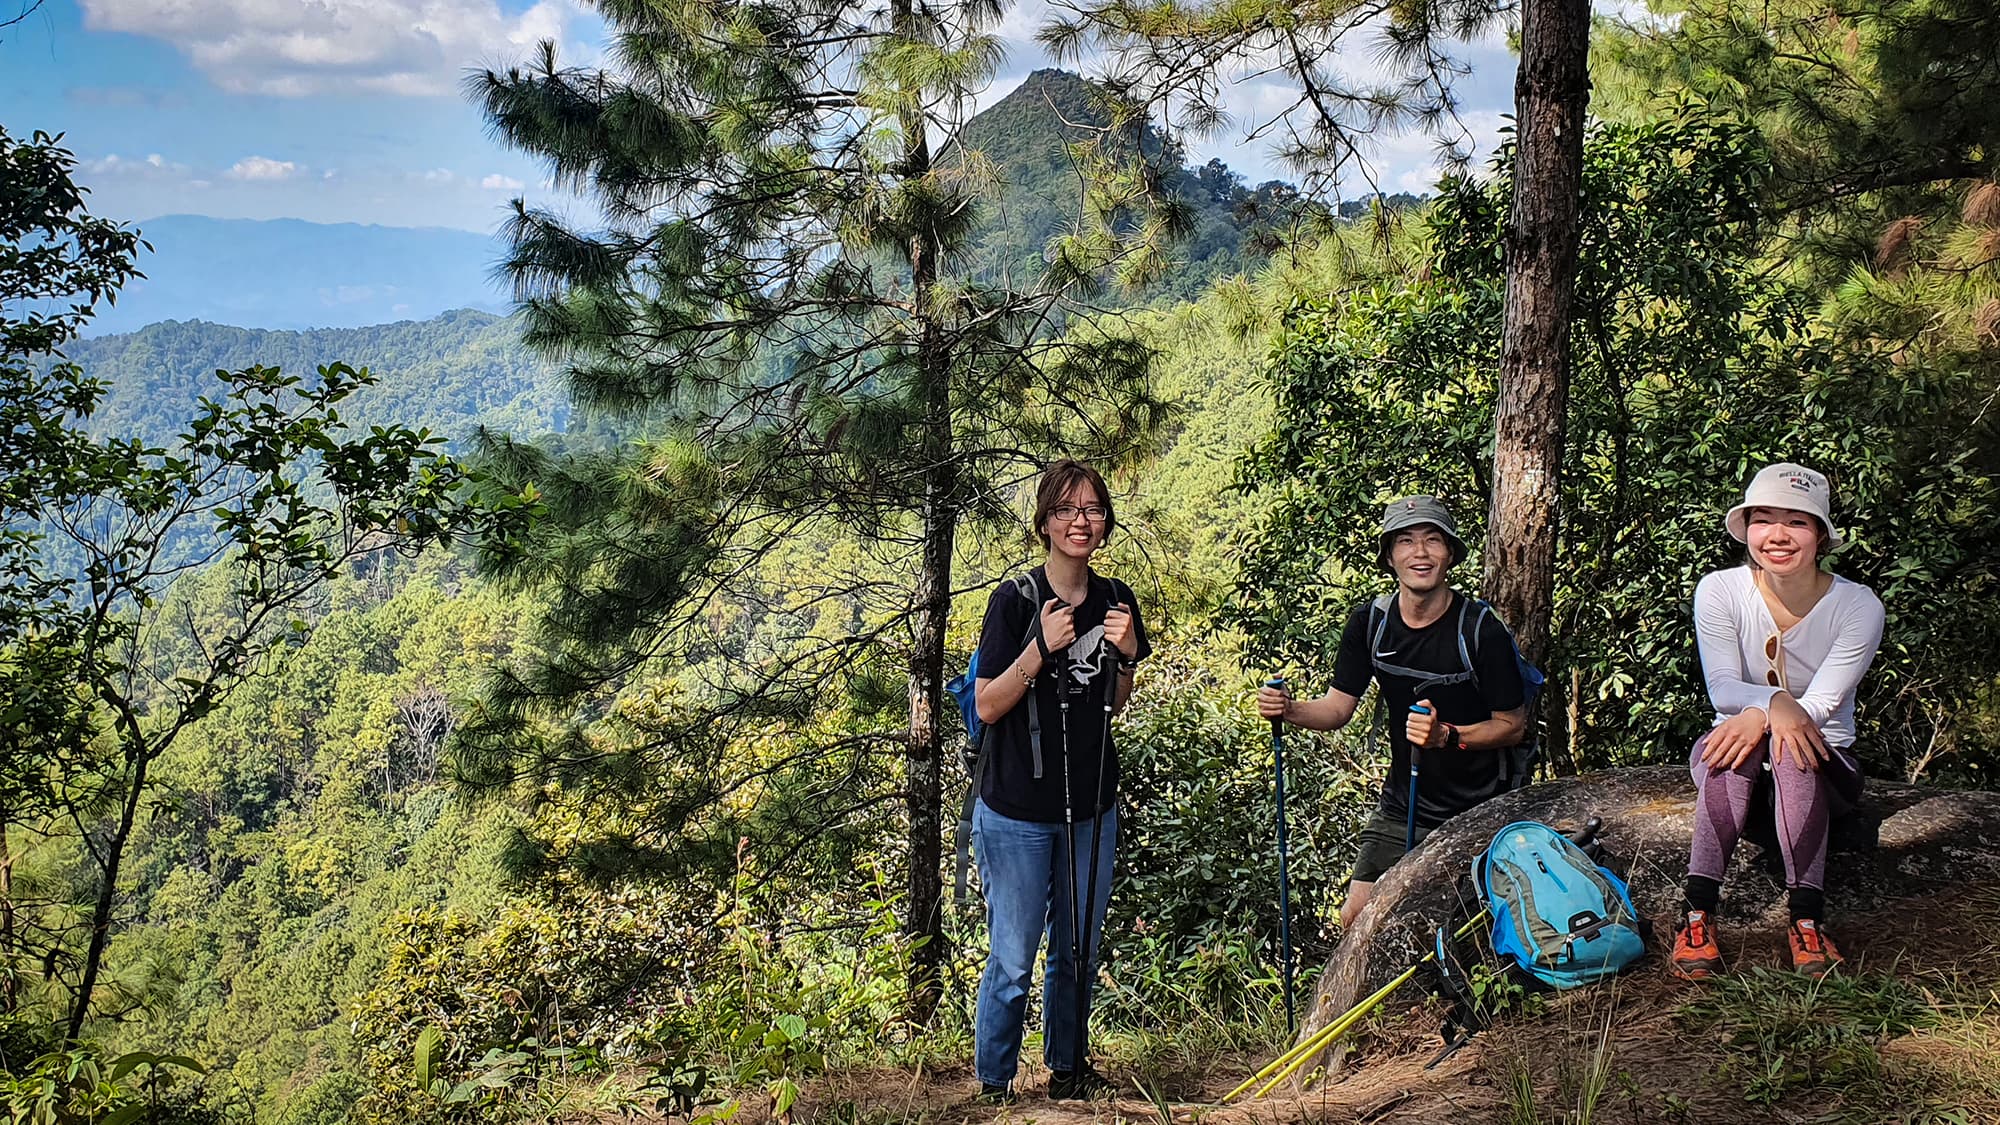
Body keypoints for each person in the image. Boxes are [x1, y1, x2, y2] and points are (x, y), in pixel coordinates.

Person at [1256, 496, 1528, 931]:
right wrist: (1288, 709)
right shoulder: (1371, 623)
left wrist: (1448, 735)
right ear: (1389, 556)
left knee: (1472, 928)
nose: (1420, 553)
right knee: (1357, 917)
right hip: (1404, 803)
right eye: (1406, 541)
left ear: (1451, 553)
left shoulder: (1480, 630)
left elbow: (1513, 726)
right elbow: (1337, 708)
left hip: (1482, 804)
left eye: (1432, 541)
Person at [969, 459, 1151, 1104]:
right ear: (1044, 521)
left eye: (1092, 509)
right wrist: (1039, 648)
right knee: (1014, 960)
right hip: (1016, 806)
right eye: (1067, 510)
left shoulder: (1116, 599)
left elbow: (1117, 699)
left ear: (1104, 521)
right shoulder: (1015, 600)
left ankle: (1068, 1072)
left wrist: (1127, 656)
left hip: (1091, 804)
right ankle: (994, 1085)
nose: (1081, 521)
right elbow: (988, 704)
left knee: (1077, 950)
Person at [1670, 463, 1885, 981]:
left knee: (1791, 748)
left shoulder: (1858, 606)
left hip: (1823, 765)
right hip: (1736, 752)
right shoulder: (1720, 590)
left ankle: (1807, 921)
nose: (1779, 535)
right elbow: (1721, 685)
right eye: (1764, 519)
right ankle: (1698, 913)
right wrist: (1772, 704)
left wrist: (1773, 714)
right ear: (1746, 530)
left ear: (1820, 536)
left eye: (1798, 522)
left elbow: (1823, 705)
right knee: (1733, 746)